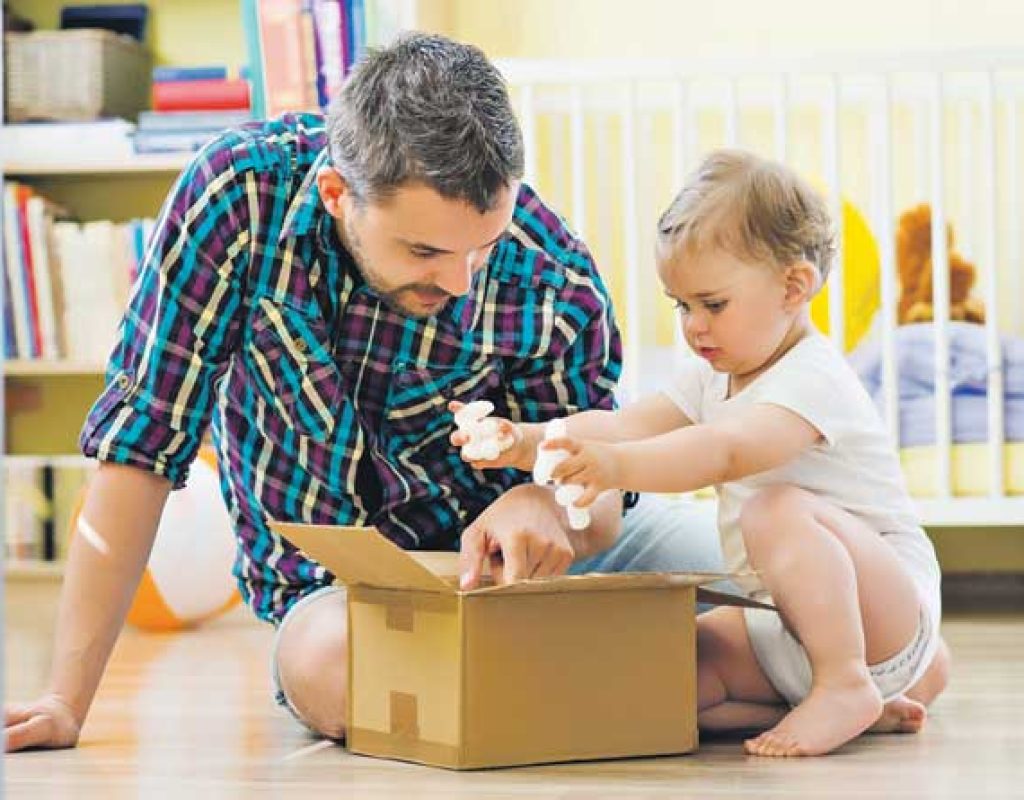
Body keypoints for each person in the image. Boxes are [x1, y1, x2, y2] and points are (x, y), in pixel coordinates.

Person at [3, 33, 725, 753]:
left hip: (534, 581)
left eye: (484, 247)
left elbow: (600, 494)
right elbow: (142, 444)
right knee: (330, 666)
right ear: (337, 195)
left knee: (773, 568)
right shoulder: (237, 201)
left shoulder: (550, 270)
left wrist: (545, 502)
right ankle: (670, 683)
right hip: (337, 597)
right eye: (426, 252)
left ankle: (595, 687)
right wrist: (67, 699)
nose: (460, 282)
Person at [452, 149, 951, 757]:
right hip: (787, 620)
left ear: (794, 287)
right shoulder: (713, 373)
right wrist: (529, 441)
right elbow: (628, 424)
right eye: (681, 305)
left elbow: (724, 451)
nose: (693, 326)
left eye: (712, 304)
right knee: (669, 674)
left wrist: (616, 470)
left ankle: (846, 683)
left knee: (774, 509)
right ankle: (844, 701)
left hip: (880, 611)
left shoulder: (811, 377)